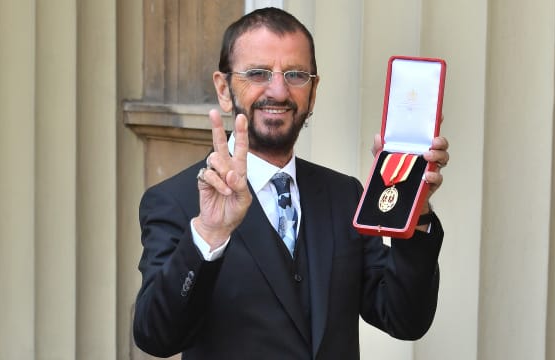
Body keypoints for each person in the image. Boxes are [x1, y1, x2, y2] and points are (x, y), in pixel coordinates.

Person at [133, 7, 449, 360]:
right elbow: (156, 337)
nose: (279, 91)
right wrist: (209, 234)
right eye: (258, 73)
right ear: (223, 89)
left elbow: (404, 319)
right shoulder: (175, 201)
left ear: (313, 92)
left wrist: (415, 206)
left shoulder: (344, 195)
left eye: (297, 75)